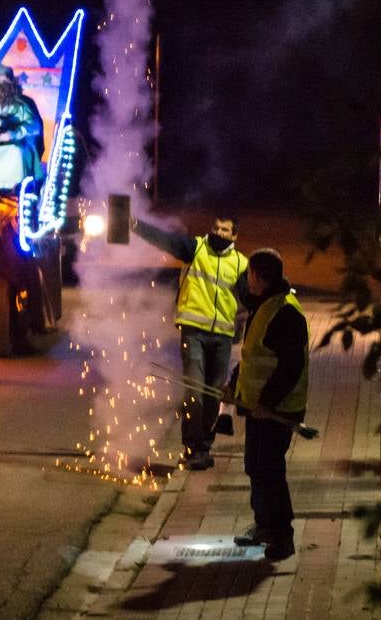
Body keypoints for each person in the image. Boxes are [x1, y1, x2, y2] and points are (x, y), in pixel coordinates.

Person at [131, 213, 248, 470]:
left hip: (222, 337)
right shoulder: (196, 249)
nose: (218, 232)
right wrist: (135, 226)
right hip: (193, 332)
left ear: (234, 236)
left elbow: (251, 300)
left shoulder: (240, 264)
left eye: (225, 229)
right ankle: (193, 448)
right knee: (195, 391)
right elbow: (166, 240)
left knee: (212, 394)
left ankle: (204, 446)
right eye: (215, 227)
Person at [226, 249, 308, 562]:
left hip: (278, 411)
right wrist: (232, 385)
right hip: (258, 408)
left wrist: (267, 402)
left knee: (271, 471)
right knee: (255, 467)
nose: (247, 281)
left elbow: (291, 365)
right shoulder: (265, 307)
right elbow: (252, 356)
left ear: (261, 277)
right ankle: (264, 526)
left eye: (249, 275)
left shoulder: (284, 312)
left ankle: (282, 537)